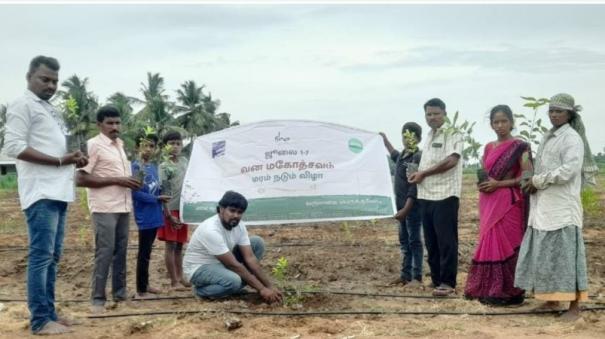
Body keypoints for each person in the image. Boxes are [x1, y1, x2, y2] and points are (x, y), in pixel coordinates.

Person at [3, 56, 88, 335]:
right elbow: (14, 146)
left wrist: (74, 159)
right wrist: (60, 161)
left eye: (54, 81)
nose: (51, 85)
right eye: (45, 79)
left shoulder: (50, 110)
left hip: (59, 191)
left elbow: (54, 150)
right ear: (29, 77)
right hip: (40, 192)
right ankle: (40, 320)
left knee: (52, 257)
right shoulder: (22, 105)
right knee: (41, 256)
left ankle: (49, 313)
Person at [515, 93, 595, 320]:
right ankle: (550, 300)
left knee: (567, 257)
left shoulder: (571, 138)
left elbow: (569, 170)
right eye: (551, 111)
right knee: (546, 255)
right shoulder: (549, 136)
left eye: (558, 111)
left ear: (570, 114)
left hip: (562, 208)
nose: (553, 115)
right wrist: (531, 178)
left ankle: (575, 307)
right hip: (543, 207)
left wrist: (538, 181)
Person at [76, 106, 142, 313]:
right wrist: (118, 179)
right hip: (104, 207)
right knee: (104, 251)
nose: (115, 127)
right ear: (99, 125)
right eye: (110, 123)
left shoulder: (120, 146)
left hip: (123, 205)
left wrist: (131, 182)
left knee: (121, 251)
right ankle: (97, 299)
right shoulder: (93, 145)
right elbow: (80, 178)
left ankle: (120, 293)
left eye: (117, 123)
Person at [464, 105, 532, 306]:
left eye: (504, 121)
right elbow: (487, 172)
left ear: (512, 122)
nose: (500, 125)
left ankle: (511, 291)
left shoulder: (521, 147)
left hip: (508, 202)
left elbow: (527, 176)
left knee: (507, 244)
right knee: (489, 241)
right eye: (496, 122)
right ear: (491, 124)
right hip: (488, 201)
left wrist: (498, 184)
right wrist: (484, 184)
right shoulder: (488, 147)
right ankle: (489, 289)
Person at [183, 191, 283, 303]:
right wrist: (262, 289)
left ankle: (231, 288)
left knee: (256, 243)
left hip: (221, 264)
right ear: (221, 209)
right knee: (234, 281)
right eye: (232, 210)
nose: (236, 215)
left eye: (239, 212)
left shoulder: (239, 225)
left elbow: (250, 258)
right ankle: (201, 291)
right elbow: (233, 265)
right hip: (200, 268)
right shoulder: (210, 229)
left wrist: (269, 286)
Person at [408, 98, 463, 297]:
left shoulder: (453, 133)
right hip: (426, 195)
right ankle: (437, 279)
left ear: (444, 113)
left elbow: (451, 161)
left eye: (436, 114)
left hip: (445, 194)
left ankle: (448, 283)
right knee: (431, 241)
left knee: (446, 241)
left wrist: (424, 173)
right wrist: (418, 174)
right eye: (428, 114)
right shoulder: (429, 136)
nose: (432, 117)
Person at [379, 122, 423, 287]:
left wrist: (406, 209)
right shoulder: (403, 155)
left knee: (414, 241)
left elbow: (414, 185)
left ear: (418, 139)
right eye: (404, 136)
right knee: (404, 241)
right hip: (400, 207)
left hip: (411, 208)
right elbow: (393, 154)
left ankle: (417, 277)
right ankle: (405, 275)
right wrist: (384, 140)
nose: (407, 140)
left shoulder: (415, 157)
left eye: (411, 137)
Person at [131, 132, 170, 299]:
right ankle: (141, 289)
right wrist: (156, 198)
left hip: (155, 215)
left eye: (152, 146)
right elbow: (136, 193)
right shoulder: (136, 167)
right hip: (145, 216)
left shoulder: (152, 168)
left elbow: (159, 188)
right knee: (143, 253)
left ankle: (145, 285)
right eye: (145, 145)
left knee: (148, 253)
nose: (148, 149)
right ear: (138, 147)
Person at [157, 131, 191, 290]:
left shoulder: (185, 162)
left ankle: (180, 276)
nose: (175, 147)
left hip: (183, 209)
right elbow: (164, 191)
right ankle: (173, 281)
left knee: (179, 245)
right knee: (170, 245)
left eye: (178, 143)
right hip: (170, 210)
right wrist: (168, 214)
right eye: (171, 143)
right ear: (165, 146)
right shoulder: (164, 166)